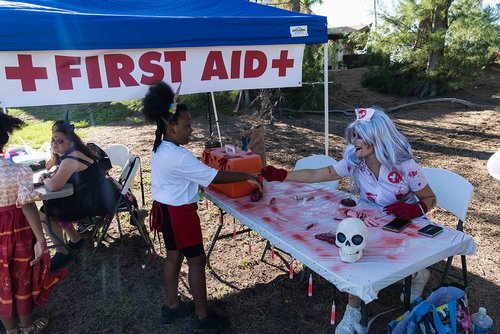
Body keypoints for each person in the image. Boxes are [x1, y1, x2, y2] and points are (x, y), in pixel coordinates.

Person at [261, 107, 436, 334]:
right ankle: (354, 309)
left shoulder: (404, 165)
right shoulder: (356, 161)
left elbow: (430, 199)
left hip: (405, 225)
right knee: (352, 251)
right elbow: (319, 174)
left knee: (386, 257)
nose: (354, 141)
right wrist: (283, 175)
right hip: (372, 221)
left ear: (377, 138)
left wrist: (414, 209)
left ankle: (418, 274)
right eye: (353, 135)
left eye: (360, 136)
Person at [142, 81, 262, 333]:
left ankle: (172, 307)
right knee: (197, 260)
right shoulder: (180, 156)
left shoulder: (161, 147)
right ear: (171, 126)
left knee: (173, 257)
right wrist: (247, 177)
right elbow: (214, 176)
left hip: (165, 210)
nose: (191, 131)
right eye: (187, 126)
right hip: (180, 214)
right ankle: (203, 317)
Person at [0, 112, 67, 334]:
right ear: (5, 139)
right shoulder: (18, 171)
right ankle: (27, 328)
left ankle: (11, 331)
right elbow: (27, 205)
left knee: (2, 283)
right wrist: (41, 239)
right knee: (22, 277)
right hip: (18, 232)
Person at [39, 120, 118, 271]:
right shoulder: (75, 153)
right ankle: (76, 240)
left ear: (71, 142)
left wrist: (46, 178)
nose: (55, 144)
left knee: (44, 213)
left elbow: (53, 186)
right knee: (53, 203)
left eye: (60, 141)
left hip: (96, 203)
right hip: (99, 196)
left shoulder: (70, 160)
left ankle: (62, 253)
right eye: (53, 140)